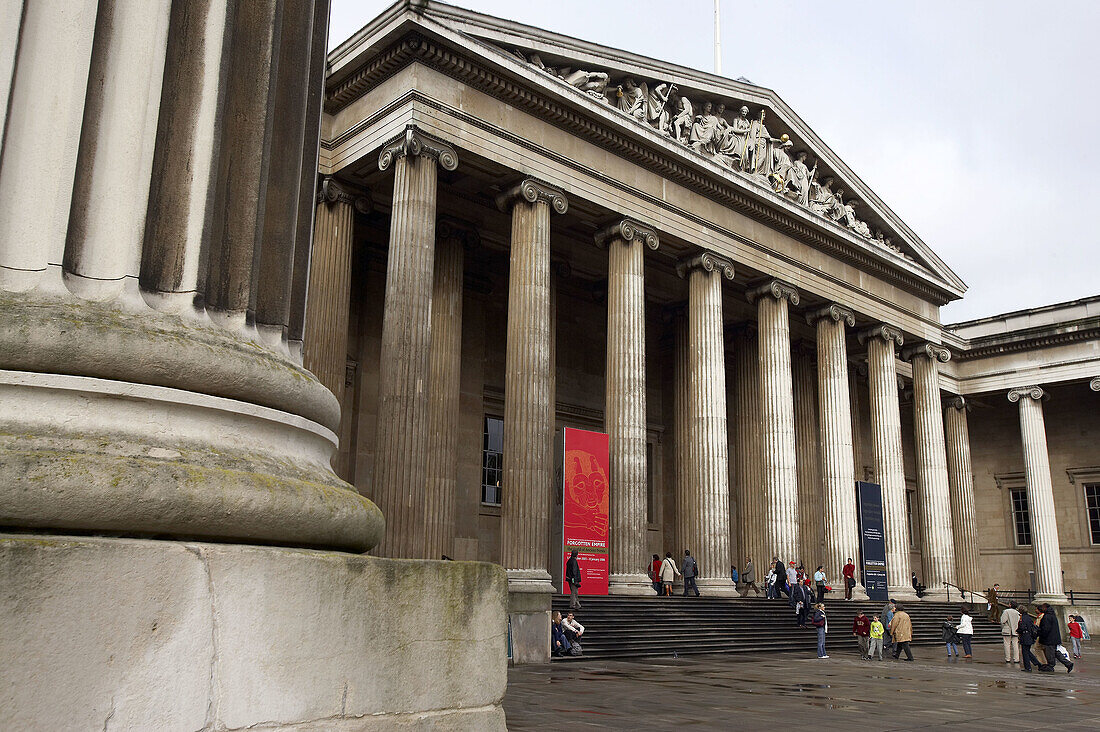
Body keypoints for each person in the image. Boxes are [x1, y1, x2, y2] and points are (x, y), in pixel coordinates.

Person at [1037, 602, 1074, 672]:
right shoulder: (1052, 615)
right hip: (1053, 638)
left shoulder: (1047, 616)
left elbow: (1046, 629)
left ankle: (1051, 665)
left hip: (1049, 638)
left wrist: (1040, 633)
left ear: (1045, 608)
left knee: (1050, 652)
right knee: (1055, 652)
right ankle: (1068, 664)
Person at [1017, 606, 1042, 672]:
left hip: (1025, 636)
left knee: (1025, 652)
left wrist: (1018, 630)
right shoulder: (1028, 617)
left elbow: (1022, 627)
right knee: (1027, 651)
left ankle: (1028, 667)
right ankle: (1037, 663)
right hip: (1029, 636)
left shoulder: (1023, 618)